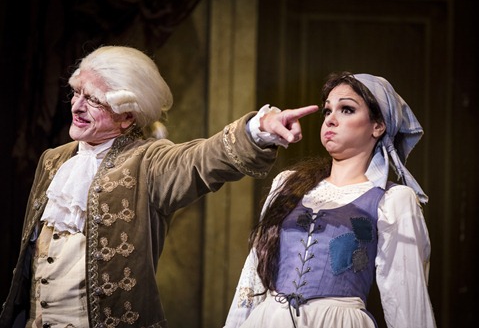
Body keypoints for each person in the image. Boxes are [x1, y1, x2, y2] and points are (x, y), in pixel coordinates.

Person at [0, 45, 319, 328]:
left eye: (93, 100)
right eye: (77, 93)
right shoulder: (54, 160)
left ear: (127, 117)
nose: (77, 106)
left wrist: (257, 130)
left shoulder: (148, 163)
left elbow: (201, 159)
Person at [224, 71, 437, 328]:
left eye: (346, 110)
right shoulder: (288, 184)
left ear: (378, 126)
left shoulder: (392, 201)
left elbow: (407, 300)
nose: (331, 120)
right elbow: (253, 275)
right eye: (327, 111)